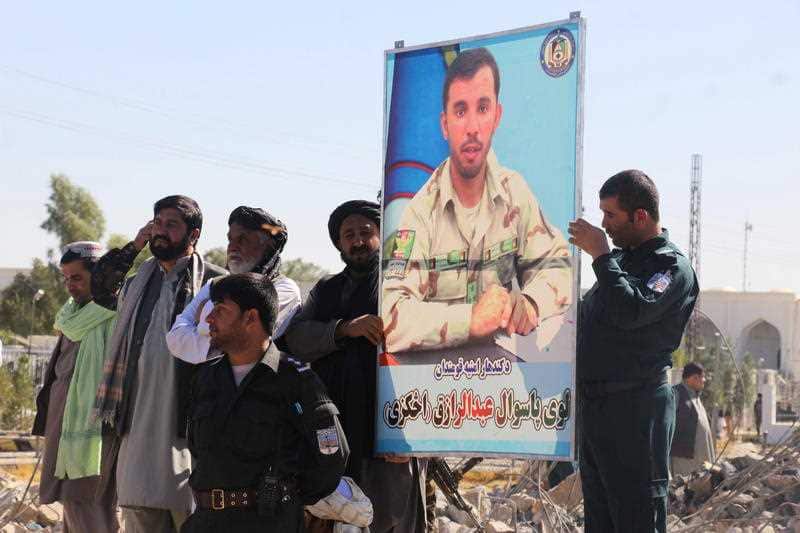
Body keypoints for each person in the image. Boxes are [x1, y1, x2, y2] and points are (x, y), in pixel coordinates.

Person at [382, 47, 572, 357]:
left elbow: (558, 264)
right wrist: (469, 320)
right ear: (445, 125)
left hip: (503, 384)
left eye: (482, 108)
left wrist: (532, 301)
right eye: (460, 110)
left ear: (497, 116)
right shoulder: (419, 213)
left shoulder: (514, 192)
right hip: (436, 385)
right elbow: (391, 317)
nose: (472, 127)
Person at [279, 200, 426, 532]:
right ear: (339, 243)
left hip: (391, 430)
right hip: (337, 432)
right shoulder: (326, 290)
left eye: (366, 232)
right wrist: (345, 328)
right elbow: (297, 338)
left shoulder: (405, 285)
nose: (358, 241)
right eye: (349, 235)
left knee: (389, 517)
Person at [568, 169, 699, 533]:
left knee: (636, 519)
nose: (603, 225)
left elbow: (632, 311)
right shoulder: (621, 263)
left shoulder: (670, 267)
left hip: (636, 417)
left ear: (640, 216)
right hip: (599, 416)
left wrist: (600, 255)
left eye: (611, 215)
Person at [91, 195, 226, 533]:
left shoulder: (215, 284)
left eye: (171, 225)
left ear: (193, 235)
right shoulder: (137, 283)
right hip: (136, 425)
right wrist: (136, 244)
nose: (161, 232)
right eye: (157, 223)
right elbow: (100, 287)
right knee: (139, 511)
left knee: (191, 516)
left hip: (186, 424)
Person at [180, 273, 348, 532]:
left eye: (220, 310)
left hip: (268, 522)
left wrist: (287, 498)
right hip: (206, 522)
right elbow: (198, 449)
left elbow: (331, 457)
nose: (209, 319)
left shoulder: (296, 380)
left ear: (251, 318)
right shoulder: (205, 378)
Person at [32, 242, 119, 532]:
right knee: (74, 504)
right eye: (66, 278)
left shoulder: (111, 314)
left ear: (100, 276)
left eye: (77, 277)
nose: (70, 285)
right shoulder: (73, 314)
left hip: (91, 432)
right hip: (65, 425)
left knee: (87, 504)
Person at [166, 206, 300, 363]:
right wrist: (224, 326)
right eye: (231, 239)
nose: (233, 247)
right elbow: (175, 339)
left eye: (243, 240)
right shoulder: (214, 284)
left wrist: (203, 313)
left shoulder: (284, 290)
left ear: (268, 246)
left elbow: (246, 339)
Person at [670, 362, 715, 476]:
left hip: (700, 461)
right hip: (684, 460)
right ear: (693, 378)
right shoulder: (676, 394)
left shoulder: (695, 396)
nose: (704, 380)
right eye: (702, 377)